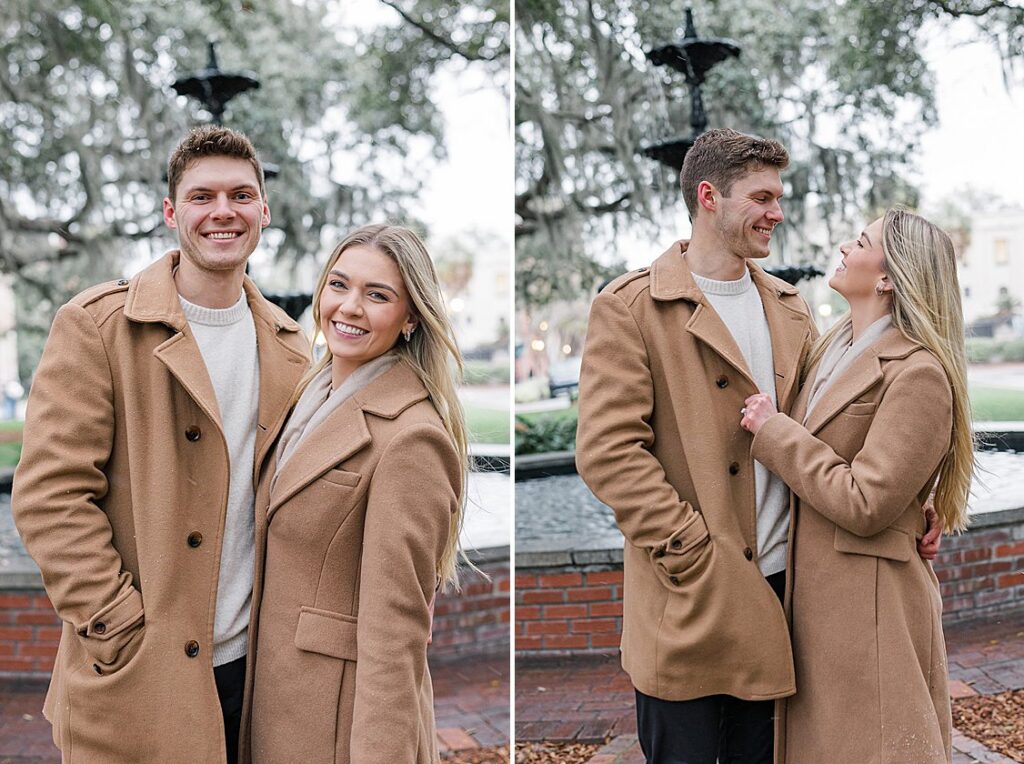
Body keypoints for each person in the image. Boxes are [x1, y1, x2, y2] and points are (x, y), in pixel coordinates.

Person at [575, 129, 939, 763]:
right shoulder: (629, 306)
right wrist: (692, 553)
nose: (777, 212)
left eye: (780, 196)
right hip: (687, 595)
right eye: (763, 196)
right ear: (710, 196)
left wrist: (916, 503)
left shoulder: (793, 308)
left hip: (784, 600)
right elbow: (609, 453)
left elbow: (837, 425)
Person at [11, 126, 310, 763]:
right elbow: (49, 498)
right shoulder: (98, 327)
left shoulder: (291, 345)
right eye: (202, 197)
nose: (223, 211)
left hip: (255, 673)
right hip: (141, 670)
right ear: (172, 213)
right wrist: (119, 625)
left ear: (264, 210)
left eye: (241, 195)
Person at [740, 208, 971, 763]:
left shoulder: (918, 373)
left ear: (889, 277)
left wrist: (774, 432)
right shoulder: (827, 349)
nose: (845, 246)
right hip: (817, 608)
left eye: (861, 241)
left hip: (870, 609)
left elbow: (867, 501)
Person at [241, 224, 468, 763]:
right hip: (273, 699)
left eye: (378, 295)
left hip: (335, 723)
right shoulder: (305, 396)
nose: (350, 307)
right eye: (339, 285)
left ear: (411, 317)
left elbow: (396, 635)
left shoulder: (413, 437)